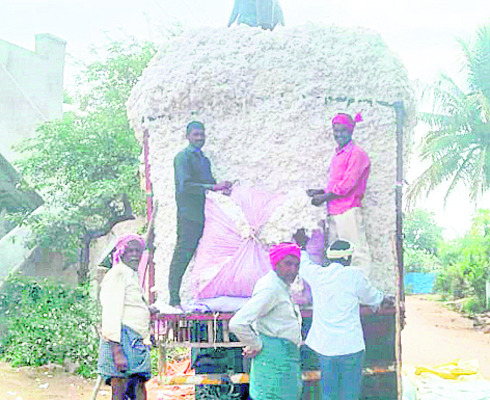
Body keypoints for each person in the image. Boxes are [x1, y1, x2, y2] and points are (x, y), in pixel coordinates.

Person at [294, 231, 386, 400]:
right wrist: (383, 298)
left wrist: (301, 245)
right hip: (351, 347)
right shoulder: (355, 276)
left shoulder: (318, 275)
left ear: (329, 258)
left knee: (329, 394)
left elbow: (303, 264)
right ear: (347, 259)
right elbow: (373, 298)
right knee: (350, 395)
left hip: (326, 347)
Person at [167, 121, 232, 310]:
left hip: (206, 216)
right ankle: (174, 299)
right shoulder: (182, 158)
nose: (199, 138)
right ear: (188, 136)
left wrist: (222, 190)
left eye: (202, 135)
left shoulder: (204, 160)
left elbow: (210, 186)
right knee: (182, 255)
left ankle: (202, 297)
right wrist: (212, 187)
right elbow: (185, 186)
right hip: (189, 216)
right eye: (196, 135)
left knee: (206, 257)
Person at [229, 242, 303, 400]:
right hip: (274, 359)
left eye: (296, 265)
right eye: (288, 264)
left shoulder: (279, 286)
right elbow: (238, 323)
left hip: (282, 358)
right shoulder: (271, 288)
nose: (293, 270)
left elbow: (262, 319)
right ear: (276, 263)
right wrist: (256, 344)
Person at [307, 112, 371, 272]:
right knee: (336, 254)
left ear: (351, 131)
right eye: (336, 131)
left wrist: (324, 197)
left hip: (348, 209)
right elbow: (339, 184)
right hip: (334, 210)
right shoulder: (338, 154)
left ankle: (360, 291)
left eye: (343, 130)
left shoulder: (357, 153)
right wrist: (321, 192)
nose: (339, 134)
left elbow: (348, 184)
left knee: (356, 252)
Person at [97, 234, 151, 400]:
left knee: (138, 386)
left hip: (135, 340)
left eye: (138, 251)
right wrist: (117, 351)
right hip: (121, 340)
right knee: (121, 388)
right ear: (121, 253)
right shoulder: (118, 274)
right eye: (130, 251)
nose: (135, 255)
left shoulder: (131, 275)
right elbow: (111, 313)